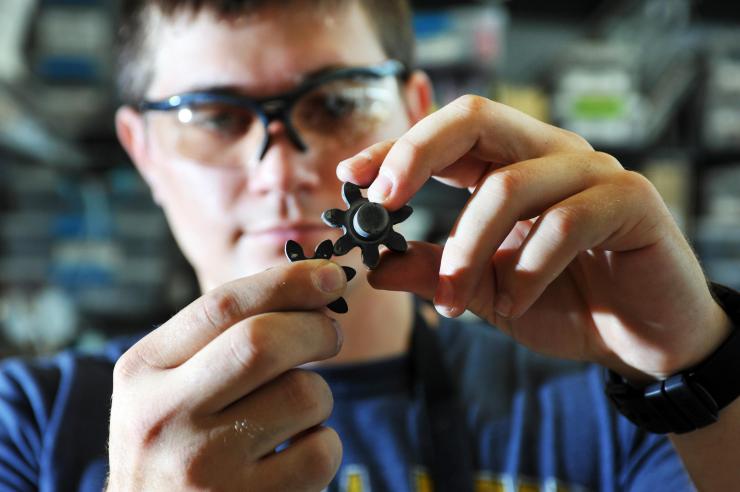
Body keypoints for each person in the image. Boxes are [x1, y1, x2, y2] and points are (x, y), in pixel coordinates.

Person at [1, 0, 738, 490]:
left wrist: (693, 364)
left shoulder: (614, 410)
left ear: (418, 112)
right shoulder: (29, 426)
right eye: (213, 116)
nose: (280, 169)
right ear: (144, 152)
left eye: (338, 102)